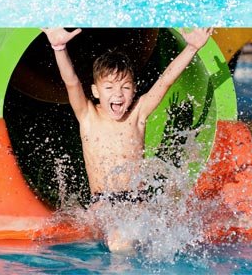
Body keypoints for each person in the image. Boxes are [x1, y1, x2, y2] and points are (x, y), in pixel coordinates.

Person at [44, 26, 211, 252]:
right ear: (95, 91)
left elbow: (165, 82)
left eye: (125, 87)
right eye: (109, 87)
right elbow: (71, 82)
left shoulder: (138, 114)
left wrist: (191, 48)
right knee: (119, 243)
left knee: (173, 235)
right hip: (103, 203)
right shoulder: (87, 116)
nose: (118, 94)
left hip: (138, 201)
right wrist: (59, 47)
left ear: (134, 90)